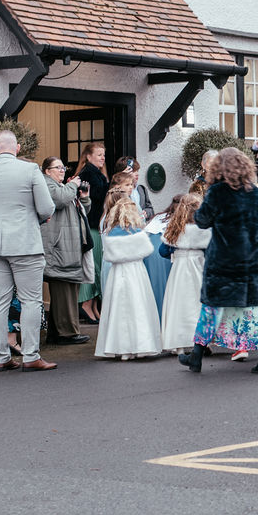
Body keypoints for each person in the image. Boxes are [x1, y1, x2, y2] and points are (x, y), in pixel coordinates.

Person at [178, 147, 258, 374]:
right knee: (257, 309)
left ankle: (196, 357)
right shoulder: (256, 194)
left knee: (211, 309)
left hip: (223, 261)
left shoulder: (216, 193)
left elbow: (202, 220)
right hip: (253, 261)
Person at [0, 131, 57, 372]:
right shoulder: (30, 170)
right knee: (31, 300)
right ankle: (30, 356)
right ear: (17, 148)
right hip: (25, 242)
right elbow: (47, 207)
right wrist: (36, 218)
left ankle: (1, 357)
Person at [94, 197, 162, 360]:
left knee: (118, 308)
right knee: (137, 306)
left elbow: (108, 255)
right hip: (136, 271)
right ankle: (140, 345)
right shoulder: (137, 232)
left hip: (118, 273)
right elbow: (147, 250)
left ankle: (119, 347)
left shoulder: (111, 232)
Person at [40, 156, 92, 346]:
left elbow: (78, 211)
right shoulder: (47, 185)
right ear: (47, 171)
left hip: (67, 246)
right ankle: (67, 333)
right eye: (58, 168)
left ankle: (56, 332)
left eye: (63, 167)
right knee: (64, 289)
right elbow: (60, 200)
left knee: (66, 289)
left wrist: (84, 198)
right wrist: (73, 186)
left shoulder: (61, 187)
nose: (63, 170)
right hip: (59, 247)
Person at [160, 194, 211, 353]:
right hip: (198, 265)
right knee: (198, 303)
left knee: (179, 303)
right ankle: (203, 341)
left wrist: (175, 252)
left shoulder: (175, 229)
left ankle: (179, 343)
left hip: (180, 268)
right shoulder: (203, 230)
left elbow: (162, 251)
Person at [75, 143, 109, 324]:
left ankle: (94, 305)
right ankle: (86, 303)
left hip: (97, 225)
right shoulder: (87, 174)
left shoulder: (98, 174)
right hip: (91, 226)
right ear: (88, 156)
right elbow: (93, 197)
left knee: (98, 266)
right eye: (99, 155)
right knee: (93, 266)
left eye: (103, 155)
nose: (102, 158)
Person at [112, 155, 155, 220]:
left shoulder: (141, 189)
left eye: (137, 170)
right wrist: (121, 178)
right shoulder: (117, 191)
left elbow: (150, 209)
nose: (137, 174)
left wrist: (146, 212)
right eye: (133, 171)